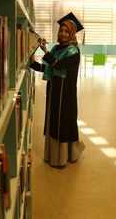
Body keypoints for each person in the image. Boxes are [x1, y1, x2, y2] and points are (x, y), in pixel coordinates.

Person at [27, 12, 85, 169]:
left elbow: (59, 65)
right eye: (61, 30)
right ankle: (54, 155)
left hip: (65, 94)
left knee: (64, 122)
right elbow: (49, 68)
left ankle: (64, 157)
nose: (63, 34)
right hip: (54, 91)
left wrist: (45, 52)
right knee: (54, 121)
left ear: (72, 33)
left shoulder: (74, 51)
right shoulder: (57, 48)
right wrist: (33, 62)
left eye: (67, 31)